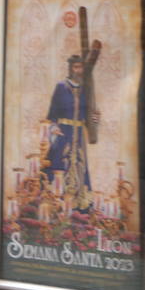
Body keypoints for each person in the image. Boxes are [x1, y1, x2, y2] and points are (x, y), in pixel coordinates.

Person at [44, 54, 99, 210]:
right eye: (75, 67)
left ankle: (80, 207)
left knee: (81, 167)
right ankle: (56, 205)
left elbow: (91, 118)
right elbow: (52, 114)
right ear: (70, 68)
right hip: (64, 134)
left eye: (81, 67)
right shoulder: (61, 87)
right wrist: (54, 129)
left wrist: (95, 119)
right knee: (59, 164)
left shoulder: (86, 91)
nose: (78, 70)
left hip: (79, 135)